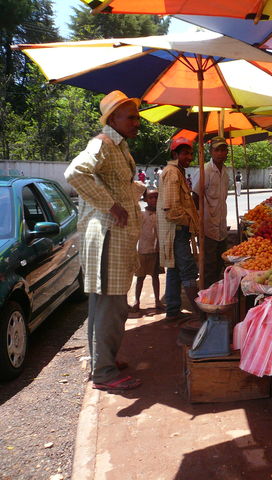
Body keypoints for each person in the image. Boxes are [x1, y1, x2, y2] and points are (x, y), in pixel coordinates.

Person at [64, 90, 145, 391]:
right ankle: (104, 373)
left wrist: (139, 193)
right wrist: (111, 206)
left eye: (137, 117)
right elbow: (75, 173)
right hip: (108, 235)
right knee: (111, 306)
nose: (136, 123)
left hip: (115, 236)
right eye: (131, 117)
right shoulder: (102, 143)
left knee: (104, 305)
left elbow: (118, 185)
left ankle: (103, 361)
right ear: (113, 119)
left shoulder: (119, 146)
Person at [157, 138, 201, 323]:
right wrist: (189, 221)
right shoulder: (172, 172)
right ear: (175, 154)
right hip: (176, 231)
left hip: (179, 230)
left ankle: (173, 310)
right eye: (185, 154)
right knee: (188, 271)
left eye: (190, 153)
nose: (189, 157)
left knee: (174, 270)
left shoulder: (178, 171)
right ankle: (201, 313)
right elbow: (171, 210)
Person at [191, 136, 229, 288]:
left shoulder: (225, 171)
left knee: (220, 262)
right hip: (207, 226)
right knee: (209, 265)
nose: (220, 153)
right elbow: (195, 196)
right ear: (211, 152)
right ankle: (207, 294)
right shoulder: (205, 170)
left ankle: (216, 292)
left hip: (221, 225)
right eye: (217, 150)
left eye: (223, 150)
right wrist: (197, 221)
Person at [130, 190, 164, 314]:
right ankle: (137, 301)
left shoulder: (161, 214)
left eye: (156, 197)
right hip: (143, 250)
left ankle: (157, 301)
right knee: (140, 277)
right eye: (150, 197)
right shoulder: (142, 215)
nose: (154, 200)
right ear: (145, 200)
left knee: (155, 276)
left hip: (156, 251)